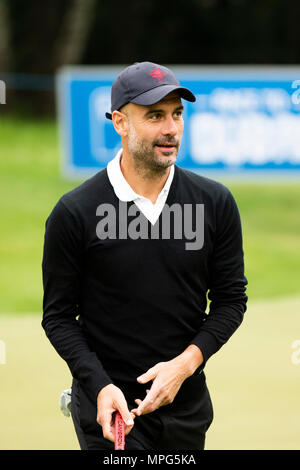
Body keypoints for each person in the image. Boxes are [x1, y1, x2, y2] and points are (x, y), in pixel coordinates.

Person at [41, 61, 248, 450]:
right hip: (110, 412)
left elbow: (230, 301)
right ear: (120, 122)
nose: (171, 128)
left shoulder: (215, 203)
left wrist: (183, 367)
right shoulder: (75, 212)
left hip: (187, 411)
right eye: (155, 116)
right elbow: (58, 317)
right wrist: (99, 385)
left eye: (177, 114)